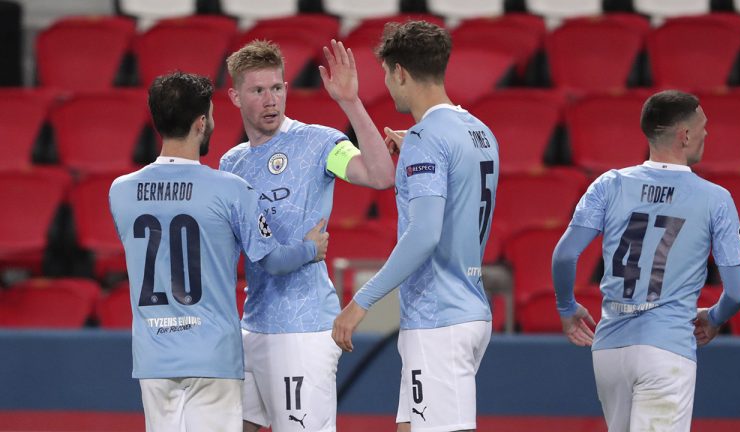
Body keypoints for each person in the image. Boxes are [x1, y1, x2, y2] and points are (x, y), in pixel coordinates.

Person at [109, 71, 329, 432]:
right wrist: (310, 249)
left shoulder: (120, 191)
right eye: (210, 114)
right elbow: (273, 261)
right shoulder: (231, 190)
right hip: (212, 356)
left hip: (154, 359)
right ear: (200, 122)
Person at [332, 21, 500, 432]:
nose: (388, 85)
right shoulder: (480, 131)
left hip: (438, 318)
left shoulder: (427, 139)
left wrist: (361, 302)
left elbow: (424, 233)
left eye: (387, 74)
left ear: (400, 72)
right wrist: (416, 149)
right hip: (467, 308)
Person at [219, 39, 395, 432]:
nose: (270, 100)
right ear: (235, 96)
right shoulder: (232, 163)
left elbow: (381, 176)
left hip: (303, 329)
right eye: (258, 90)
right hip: (253, 325)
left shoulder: (318, 143)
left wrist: (351, 102)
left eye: (277, 88)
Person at [551, 90, 740, 432]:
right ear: (684, 135)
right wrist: (714, 318)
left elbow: (565, 254)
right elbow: (736, 292)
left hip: (610, 347)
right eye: (703, 126)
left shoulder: (609, 184)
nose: (707, 133)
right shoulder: (716, 199)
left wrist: (567, 308)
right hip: (667, 350)